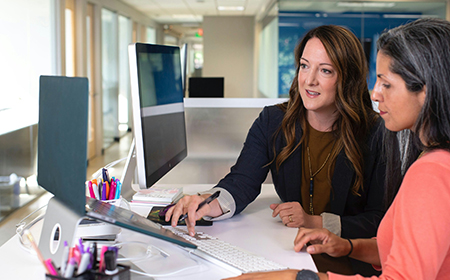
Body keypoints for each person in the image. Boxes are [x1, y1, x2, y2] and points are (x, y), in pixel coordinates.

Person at [225, 17, 450, 280]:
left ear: (426, 91)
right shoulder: (432, 159)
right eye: (304, 66)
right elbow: (402, 249)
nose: (375, 94)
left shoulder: (430, 172)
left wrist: (295, 278)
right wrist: (346, 246)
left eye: (386, 83)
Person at [167, 25, 386, 274]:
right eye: (304, 66)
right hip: (292, 254)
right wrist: (207, 203)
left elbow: (379, 220)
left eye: (325, 70)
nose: (309, 80)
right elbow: (242, 181)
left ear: (347, 79)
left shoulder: (376, 133)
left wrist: (315, 222)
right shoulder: (273, 121)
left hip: (351, 265)